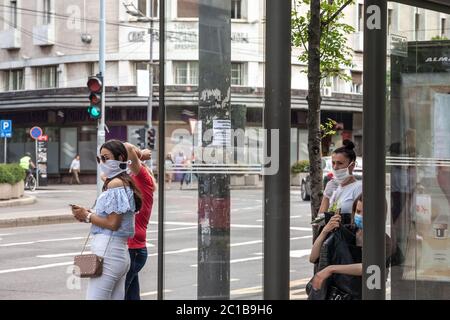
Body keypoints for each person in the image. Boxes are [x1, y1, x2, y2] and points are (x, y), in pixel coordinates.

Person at [71, 139, 142, 300]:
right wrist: (89, 213)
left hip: (108, 253)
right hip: (118, 253)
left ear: (121, 158)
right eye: (100, 158)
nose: (102, 162)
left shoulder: (115, 184)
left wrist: (88, 216)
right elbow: (114, 218)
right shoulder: (124, 182)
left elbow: (113, 223)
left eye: (106, 158)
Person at [309, 194, 392, 299]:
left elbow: (369, 267)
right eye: (358, 211)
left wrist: (331, 269)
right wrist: (325, 231)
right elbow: (313, 257)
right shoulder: (346, 232)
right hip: (336, 294)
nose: (360, 216)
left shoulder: (384, 241)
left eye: (365, 213)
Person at [123, 143, 155, 300]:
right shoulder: (133, 179)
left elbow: (127, 147)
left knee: (117, 293)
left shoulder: (142, 177)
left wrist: (139, 155)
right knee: (130, 294)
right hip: (130, 247)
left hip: (133, 248)